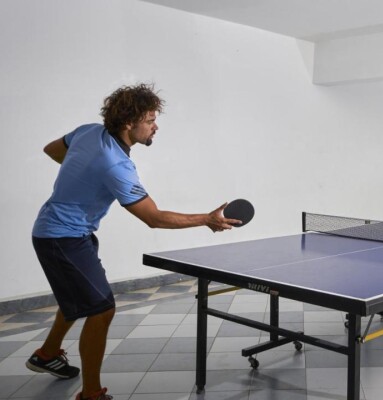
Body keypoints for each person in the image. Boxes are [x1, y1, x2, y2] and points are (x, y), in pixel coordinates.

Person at [27, 83, 241, 400]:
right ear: (129, 123)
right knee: (102, 310)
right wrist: (206, 219)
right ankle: (91, 394)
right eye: (150, 120)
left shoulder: (89, 132)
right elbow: (154, 217)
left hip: (66, 233)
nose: (156, 126)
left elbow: (52, 150)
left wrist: (85, 175)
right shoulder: (116, 165)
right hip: (62, 239)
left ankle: (47, 354)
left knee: (78, 298)